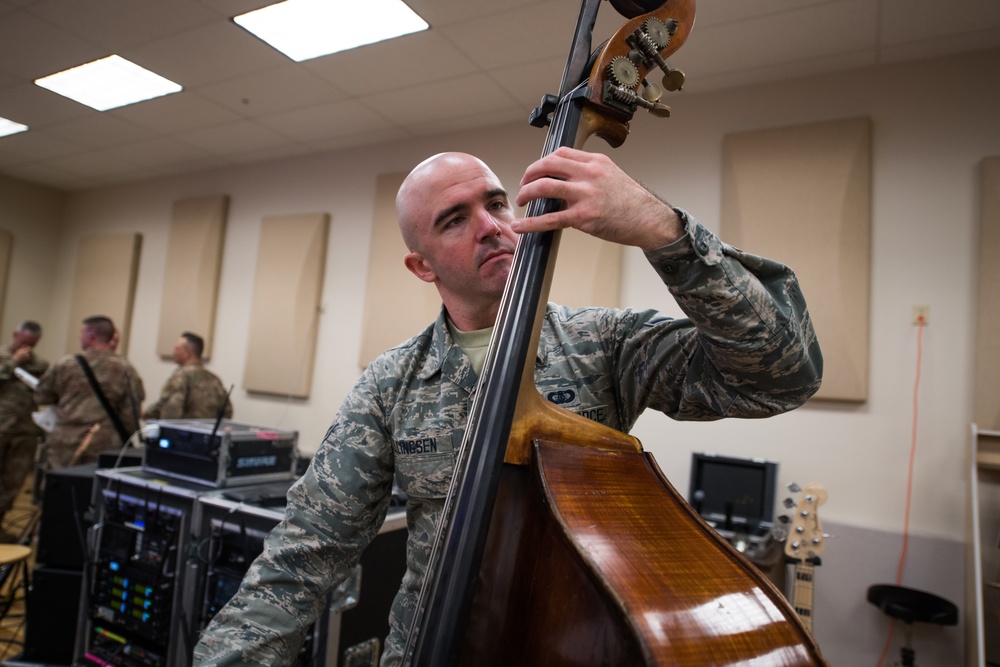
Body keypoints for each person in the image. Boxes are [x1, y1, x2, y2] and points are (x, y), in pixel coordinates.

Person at [193, 147, 823, 666]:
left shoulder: (601, 344)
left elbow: (779, 376)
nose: (492, 225)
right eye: (454, 219)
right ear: (421, 265)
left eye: (496, 203)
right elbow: (306, 551)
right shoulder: (391, 384)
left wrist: (665, 232)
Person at [34, 315, 145, 469]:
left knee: (59, 489)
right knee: (95, 490)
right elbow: (131, 416)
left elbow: (41, 397)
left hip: (64, 446)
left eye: (82, 333)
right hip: (106, 447)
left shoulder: (66, 364)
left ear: (90, 335)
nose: (80, 337)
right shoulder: (126, 369)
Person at [0, 321, 48, 534]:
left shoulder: (39, 364)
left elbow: (46, 391)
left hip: (25, 431)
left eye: (32, 343)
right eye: (24, 341)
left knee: (13, 482)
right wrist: (13, 362)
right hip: (2, 427)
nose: (27, 347)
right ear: (15, 334)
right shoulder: (2, 356)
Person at [144, 332, 232, 421]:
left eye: (177, 348)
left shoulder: (180, 377)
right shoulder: (214, 379)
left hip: (183, 434)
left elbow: (170, 412)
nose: (173, 351)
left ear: (188, 352)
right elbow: (227, 411)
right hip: (207, 434)